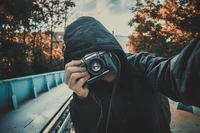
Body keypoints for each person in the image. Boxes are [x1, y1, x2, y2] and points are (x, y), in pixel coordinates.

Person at [64, 16, 200, 133]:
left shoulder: (141, 66)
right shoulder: (88, 87)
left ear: (109, 48)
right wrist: (82, 99)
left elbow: (174, 73)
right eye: (86, 61)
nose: (95, 65)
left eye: (97, 56)